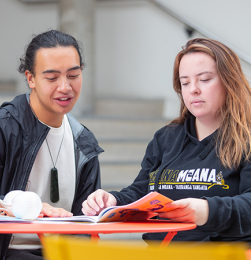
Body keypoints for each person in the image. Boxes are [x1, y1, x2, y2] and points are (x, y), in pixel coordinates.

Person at [82, 38, 251, 244]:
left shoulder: (247, 138)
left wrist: (207, 210)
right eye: (185, 82)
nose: (193, 89)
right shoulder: (166, 138)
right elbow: (142, 192)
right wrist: (114, 201)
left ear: (229, 81)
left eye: (205, 79)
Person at [0, 30, 103, 260]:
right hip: (7, 252)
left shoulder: (83, 141)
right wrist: (27, 207)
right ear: (30, 78)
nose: (65, 87)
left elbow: (85, 223)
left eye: (73, 75)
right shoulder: (0, 130)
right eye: (52, 78)